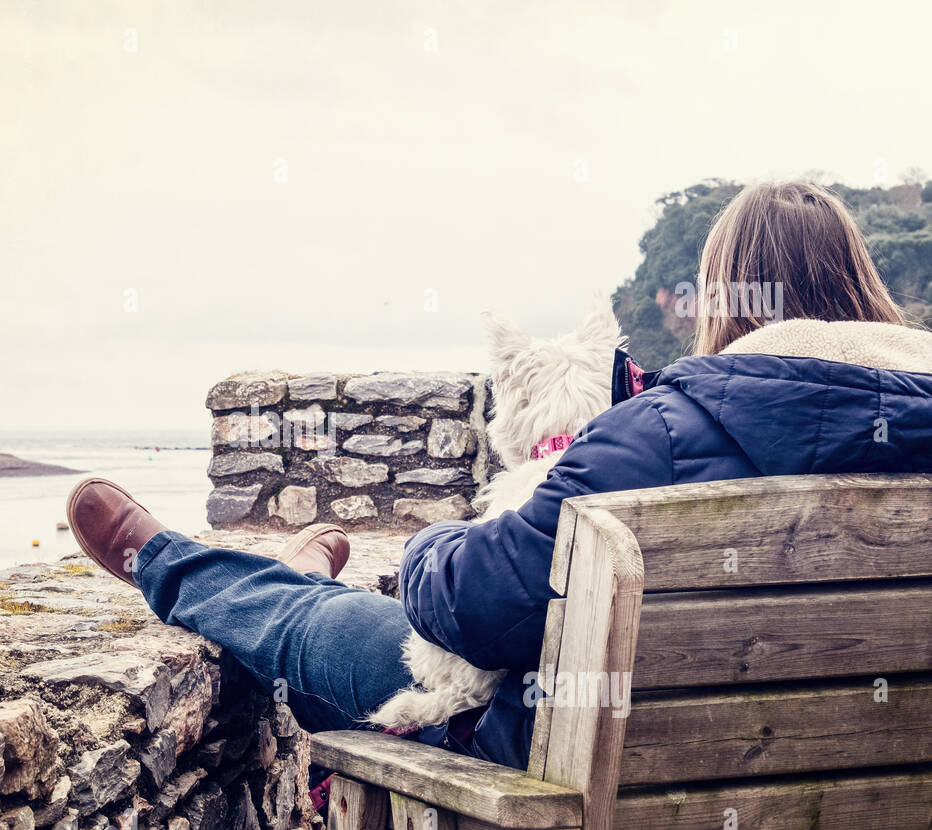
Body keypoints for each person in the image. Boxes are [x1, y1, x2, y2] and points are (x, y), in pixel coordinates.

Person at [67, 181, 932, 771]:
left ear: (723, 302)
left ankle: (169, 562)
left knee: (321, 619)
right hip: (851, 811)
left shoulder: (664, 435)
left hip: (570, 775)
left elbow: (477, 607)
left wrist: (435, 545)